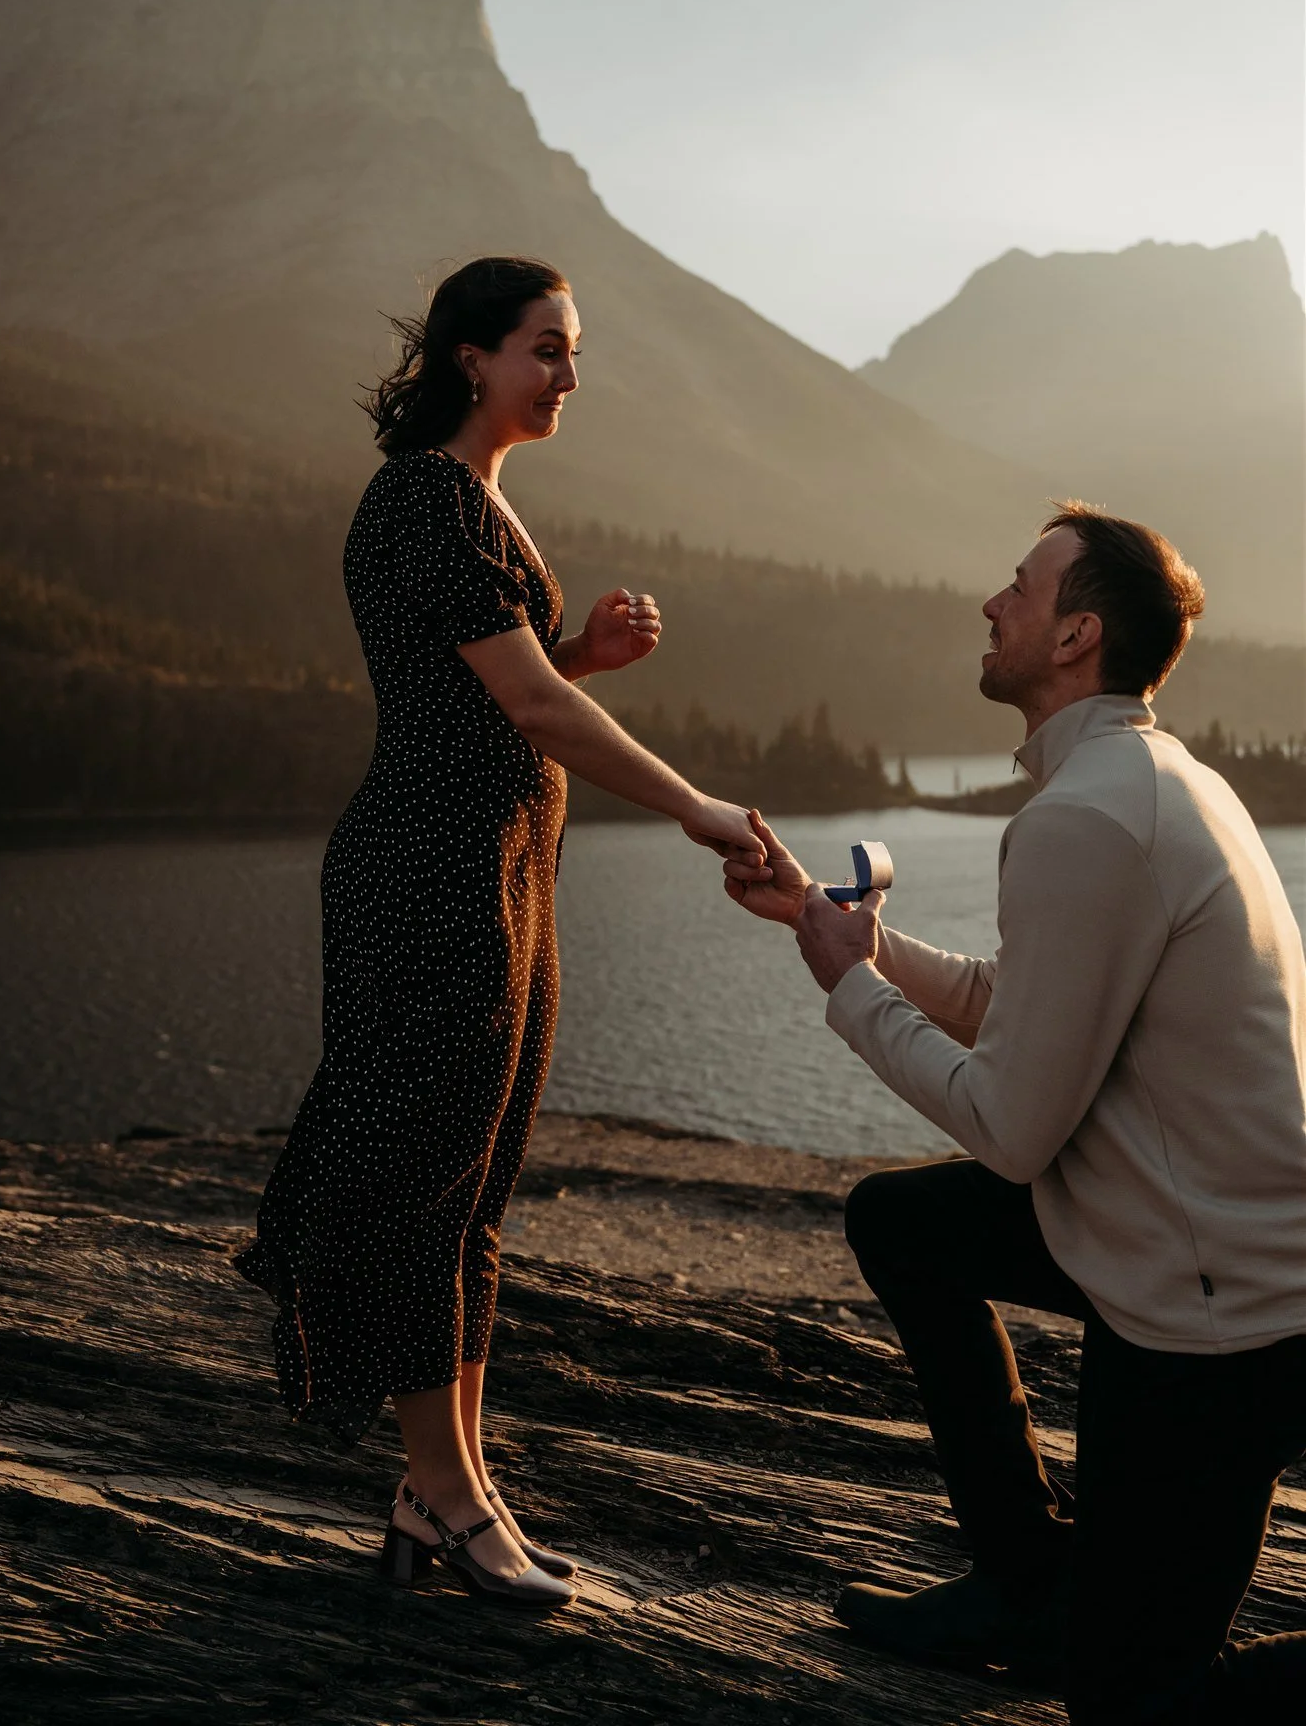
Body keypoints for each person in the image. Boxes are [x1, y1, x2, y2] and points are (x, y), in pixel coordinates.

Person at [236, 255, 765, 1609]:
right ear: (471, 357)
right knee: (423, 1183)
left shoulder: (475, 506)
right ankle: (445, 1495)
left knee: (474, 1189)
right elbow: (521, 711)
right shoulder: (423, 498)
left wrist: (576, 651)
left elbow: (496, 684)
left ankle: (450, 1485)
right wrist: (695, 802)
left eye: (571, 350)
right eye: (548, 348)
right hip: (428, 876)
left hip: (499, 871)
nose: (570, 375)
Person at [723, 504, 1306, 1722]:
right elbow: (1019, 1002)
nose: (993, 604)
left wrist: (851, 993)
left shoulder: (1089, 816)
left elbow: (1012, 1129)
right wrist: (855, 940)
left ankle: (1070, 1613)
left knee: (1130, 1702)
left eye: (1020, 589)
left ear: (1077, 635)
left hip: (1216, 1317)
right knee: (906, 1221)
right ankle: (1026, 1574)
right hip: (1181, 1242)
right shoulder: (1149, 779)